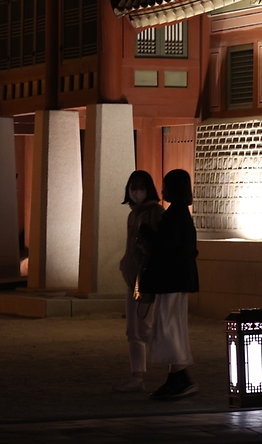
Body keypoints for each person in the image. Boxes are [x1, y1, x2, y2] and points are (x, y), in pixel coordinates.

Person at [139, 169, 199, 400]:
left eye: (165, 184)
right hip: (176, 279)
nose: (162, 189)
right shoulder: (180, 214)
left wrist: (145, 231)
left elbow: (166, 245)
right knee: (169, 327)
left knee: (169, 327)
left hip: (172, 279)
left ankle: (180, 377)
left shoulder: (175, 215)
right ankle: (176, 376)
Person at [113, 171, 165, 393]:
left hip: (148, 278)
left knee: (146, 327)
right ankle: (137, 375)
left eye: (140, 187)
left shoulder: (155, 213)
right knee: (133, 329)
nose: (136, 191)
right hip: (133, 277)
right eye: (132, 187)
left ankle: (173, 368)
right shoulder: (133, 215)